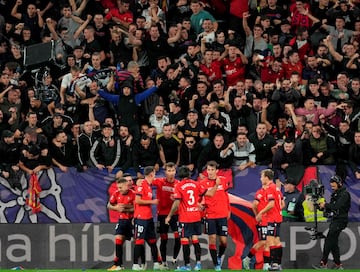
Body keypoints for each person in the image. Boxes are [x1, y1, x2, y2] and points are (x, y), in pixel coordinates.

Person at [165, 165, 220, 271]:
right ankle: (198, 264)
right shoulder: (196, 184)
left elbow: (176, 203)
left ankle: (187, 266)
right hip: (196, 216)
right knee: (195, 239)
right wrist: (216, 185)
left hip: (185, 217)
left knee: (185, 240)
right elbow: (211, 194)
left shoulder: (179, 186)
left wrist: (169, 216)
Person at [313, 175, 351, 270]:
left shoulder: (345, 194)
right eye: (331, 185)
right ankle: (338, 265)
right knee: (333, 242)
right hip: (335, 220)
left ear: (339, 184)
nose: (332, 187)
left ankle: (323, 263)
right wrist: (322, 208)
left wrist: (325, 204)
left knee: (329, 240)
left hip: (341, 221)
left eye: (334, 185)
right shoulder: (335, 194)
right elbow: (331, 209)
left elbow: (336, 206)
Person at [200, 161, 230, 271]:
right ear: (206, 171)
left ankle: (218, 256)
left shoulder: (224, 180)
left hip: (222, 214)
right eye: (208, 170)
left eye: (212, 170)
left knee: (224, 241)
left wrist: (229, 209)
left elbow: (226, 196)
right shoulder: (203, 183)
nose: (210, 172)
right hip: (210, 214)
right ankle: (216, 265)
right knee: (212, 239)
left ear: (216, 171)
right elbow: (200, 198)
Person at [133, 166, 163, 270]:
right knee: (139, 241)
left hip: (148, 217)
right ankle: (135, 264)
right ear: (152, 174)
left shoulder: (148, 185)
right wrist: (152, 202)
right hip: (141, 217)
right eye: (154, 173)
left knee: (152, 241)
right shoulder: (142, 185)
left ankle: (156, 264)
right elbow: (137, 200)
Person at [152, 162, 181, 267]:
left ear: (175, 171)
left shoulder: (178, 183)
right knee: (164, 240)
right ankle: (163, 263)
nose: (171, 173)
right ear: (165, 172)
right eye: (169, 171)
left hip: (175, 214)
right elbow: (148, 181)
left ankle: (174, 258)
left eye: (173, 170)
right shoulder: (160, 181)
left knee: (178, 238)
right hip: (162, 215)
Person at [107, 177, 135, 271]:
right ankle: (118, 265)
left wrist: (125, 208)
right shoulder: (116, 194)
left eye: (120, 187)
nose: (118, 189)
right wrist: (116, 208)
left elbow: (137, 208)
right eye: (118, 187)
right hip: (122, 221)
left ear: (126, 186)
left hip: (132, 221)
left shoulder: (133, 194)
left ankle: (139, 264)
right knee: (118, 241)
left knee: (138, 243)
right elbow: (109, 205)